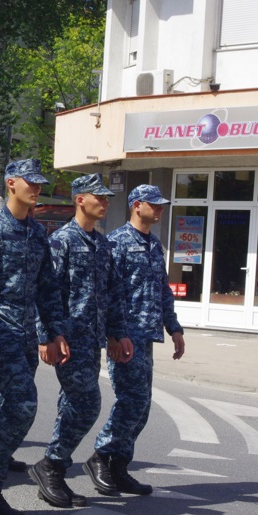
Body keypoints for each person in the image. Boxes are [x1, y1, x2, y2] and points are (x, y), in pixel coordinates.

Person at [0, 159, 69, 515]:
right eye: (30, 183)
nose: (36, 189)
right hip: (0, 333)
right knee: (23, 404)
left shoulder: (37, 232)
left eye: (39, 184)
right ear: (11, 184)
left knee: (7, 406)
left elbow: (47, 288)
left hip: (25, 336)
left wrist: (53, 332)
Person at [29, 173, 133, 508]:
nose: (104, 203)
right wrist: (48, 335)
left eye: (106, 198)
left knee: (73, 404)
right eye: (98, 197)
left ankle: (55, 471)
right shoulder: (61, 241)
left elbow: (113, 294)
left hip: (92, 341)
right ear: (79, 200)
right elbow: (45, 293)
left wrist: (117, 333)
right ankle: (51, 464)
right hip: (68, 340)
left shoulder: (102, 244)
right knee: (87, 404)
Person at [89, 184, 185, 496]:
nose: (159, 209)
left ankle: (119, 466)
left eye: (161, 204)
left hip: (146, 337)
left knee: (141, 407)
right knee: (132, 401)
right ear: (136, 205)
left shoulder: (154, 245)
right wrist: (114, 334)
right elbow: (106, 292)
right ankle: (101, 456)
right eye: (153, 204)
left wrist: (174, 328)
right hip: (125, 336)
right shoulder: (116, 242)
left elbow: (163, 289)